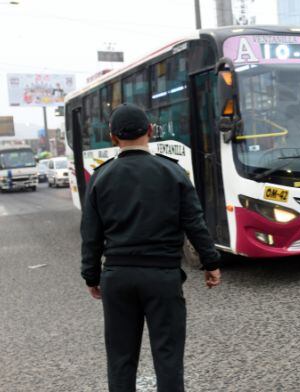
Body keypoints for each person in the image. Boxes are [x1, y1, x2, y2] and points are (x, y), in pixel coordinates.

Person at [81, 103, 222, 392]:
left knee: (120, 359)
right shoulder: (173, 172)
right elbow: (194, 223)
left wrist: (91, 276)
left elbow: (91, 235)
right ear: (150, 131)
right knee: (168, 358)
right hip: (162, 276)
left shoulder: (100, 176)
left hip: (117, 278)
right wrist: (211, 263)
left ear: (112, 137)